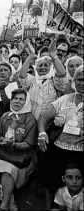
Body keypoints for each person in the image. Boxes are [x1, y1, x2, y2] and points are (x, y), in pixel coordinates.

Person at [37, 65, 84, 209]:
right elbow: (43, 118)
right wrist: (42, 133)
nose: (82, 83)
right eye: (80, 79)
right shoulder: (64, 99)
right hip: (58, 149)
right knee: (52, 183)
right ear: (74, 81)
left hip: (81, 152)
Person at [0, 89, 37, 211]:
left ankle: (4, 204)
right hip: (5, 153)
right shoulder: (5, 116)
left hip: (22, 156)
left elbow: (28, 144)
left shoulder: (30, 118)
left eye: (21, 99)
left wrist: (12, 144)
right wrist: (1, 140)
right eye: (15, 98)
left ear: (26, 102)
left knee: (7, 171)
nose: (17, 101)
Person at [18, 38, 67, 120]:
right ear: (36, 67)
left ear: (51, 66)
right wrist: (31, 55)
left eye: (46, 64)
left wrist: (53, 55)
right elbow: (22, 75)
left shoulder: (54, 81)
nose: (43, 67)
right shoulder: (32, 80)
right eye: (40, 65)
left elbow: (62, 74)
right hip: (31, 121)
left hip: (49, 122)